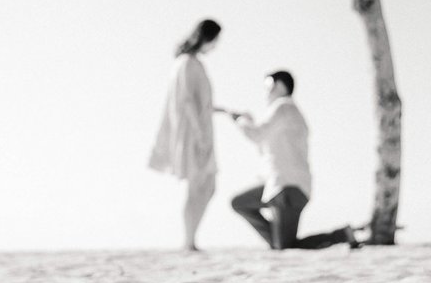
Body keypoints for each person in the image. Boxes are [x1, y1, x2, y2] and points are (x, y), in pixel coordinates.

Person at [228, 70, 358, 250]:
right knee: (240, 203)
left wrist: (241, 121)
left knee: (287, 247)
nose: (265, 92)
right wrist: (248, 121)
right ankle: (277, 241)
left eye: (268, 85)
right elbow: (265, 145)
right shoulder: (289, 111)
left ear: (280, 86)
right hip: (279, 185)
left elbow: (256, 134)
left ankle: (342, 235)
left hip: (287, 187)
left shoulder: (283, 106)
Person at [148, 18, 221, 251]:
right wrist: (199, 135)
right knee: (199, 184)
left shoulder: (192, 63)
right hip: (193, 133)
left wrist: (225, 111)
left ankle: (190, 240)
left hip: (200, 130)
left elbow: (201, 103)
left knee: (205, 184)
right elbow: (187, 101)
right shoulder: (187, 63)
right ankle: (189, 241)